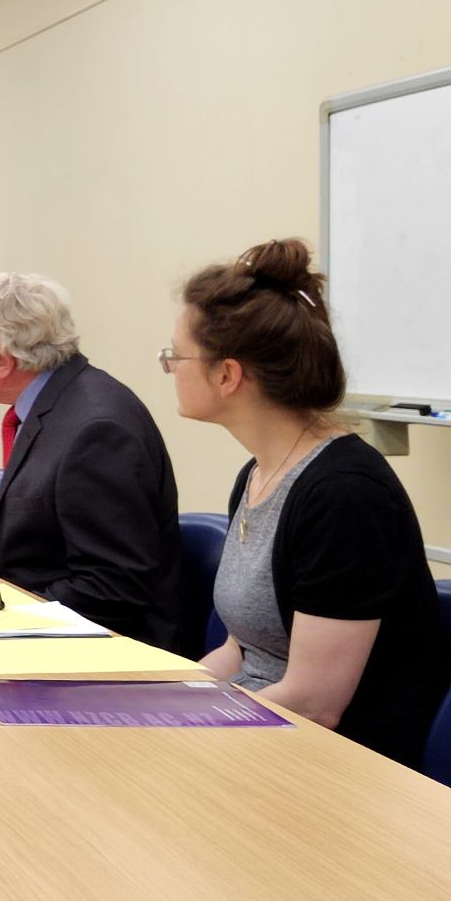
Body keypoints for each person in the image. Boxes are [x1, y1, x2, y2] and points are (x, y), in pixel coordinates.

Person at [168, 239, 448, 767]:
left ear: (227, 375)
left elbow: (315, 704)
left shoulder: (344, 495)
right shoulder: (258, 473)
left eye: (176, 357)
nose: (170, 369)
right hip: (258, 734)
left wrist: (191, 732)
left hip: (332, 765)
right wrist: (163, 704)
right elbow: (240, 650)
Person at [0, 271, 179, 646]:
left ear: (0, 358)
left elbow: (113, 587)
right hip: (46, 625)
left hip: (100, 649)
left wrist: (0, 619)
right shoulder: (60, 402)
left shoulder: (97, 430)